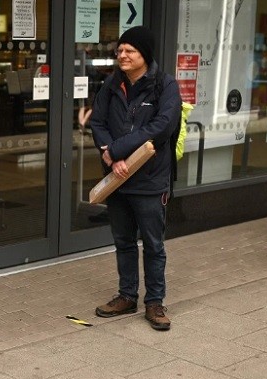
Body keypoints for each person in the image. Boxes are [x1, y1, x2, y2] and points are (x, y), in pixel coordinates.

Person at [89, 26, 182, 331]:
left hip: (150, 181)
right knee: (124, 242)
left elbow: (160, 127)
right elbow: (98, 121)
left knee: (153, 244)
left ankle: (154, 302)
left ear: (145, 54)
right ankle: (127, 295)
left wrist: (116, 150)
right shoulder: (112, 84)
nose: (122, 55)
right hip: (118, 180)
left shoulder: (164, 86)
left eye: (130, 50)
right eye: (120, 50)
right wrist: (108, 151)